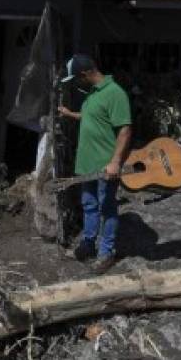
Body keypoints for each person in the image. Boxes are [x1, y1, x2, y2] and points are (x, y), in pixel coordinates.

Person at [58, 54, 132, 273]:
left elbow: (125, 129)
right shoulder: (93, 94)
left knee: (107, 207)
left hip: (105, 165)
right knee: (89, 204)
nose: (76, 84)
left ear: (84, 74)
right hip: (87, 165)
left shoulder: (115, 93)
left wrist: (116, 162)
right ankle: (88, 245)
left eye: (76, 79)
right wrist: (71, 114)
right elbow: (93, 117)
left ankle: (106, 252)